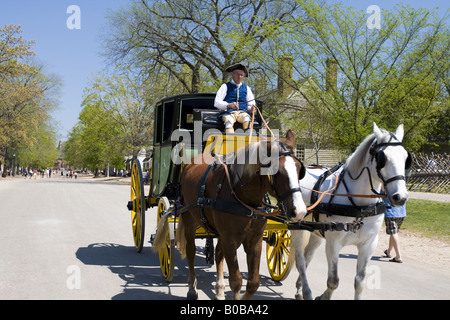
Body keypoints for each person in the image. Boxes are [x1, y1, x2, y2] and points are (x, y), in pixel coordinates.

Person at [214, 63, 257, 133]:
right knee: (228, 122)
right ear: (232, 74)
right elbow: (217, 102)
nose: (239, 76)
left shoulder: (247, 88)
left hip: (242, 113)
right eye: (237, 74)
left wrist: (251, 108)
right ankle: (231, 141)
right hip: (228, 113)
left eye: (241, 75)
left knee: (247, 118)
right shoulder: (225, 86)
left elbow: (250, 104)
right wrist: (228, 105)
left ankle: (248, 139)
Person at [383, 197, 407, 263]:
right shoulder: (401, 187)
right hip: (401, 212)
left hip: (390, 212)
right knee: (394, 232)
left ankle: (398, 256)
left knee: (393, 233)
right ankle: (389, 251)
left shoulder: (386, 187)